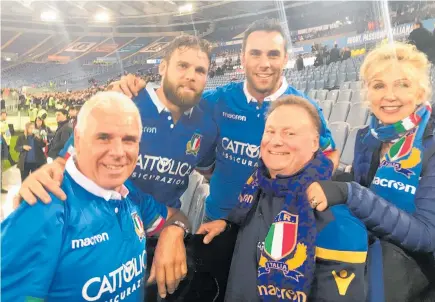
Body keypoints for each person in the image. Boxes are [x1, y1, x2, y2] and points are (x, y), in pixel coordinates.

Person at [108, 19, 339, 222]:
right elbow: (178, 100)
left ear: (285, 58)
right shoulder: (215, 101)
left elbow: (330, 154)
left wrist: (312, 185)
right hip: (218, 218)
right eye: (255, 53)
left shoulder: (304, 108)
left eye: (273, 54)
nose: (264, 63)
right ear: (243, 58)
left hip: (276, 221)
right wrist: (130, 90)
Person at [1, 91, 190, 301]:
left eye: (129, 140)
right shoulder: (43, 208)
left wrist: (174, 231)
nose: (118, 152)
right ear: (78, 139)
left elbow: (176, 217)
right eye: (103, 137)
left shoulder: (129, 194)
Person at [14, 35, 218, 210]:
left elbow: (211, 172)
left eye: (200, 70)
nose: (191, 76)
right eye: (183, 65)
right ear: (163, 67)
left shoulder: (206, 126)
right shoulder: (124, 101)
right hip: (105, 225)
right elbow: (69, 159)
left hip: (162, 231)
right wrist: (51, 171)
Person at [196, 96, 368, 301]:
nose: (276, 141)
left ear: (315, 143)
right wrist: (228, 228)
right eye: (270, 131)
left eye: (290, 133)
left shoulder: (336, 217)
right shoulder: (257, 186)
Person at [306, 43, 435, 302]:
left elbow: (426, 236)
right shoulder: (366, 138)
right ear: (367, 92)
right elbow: (364, 193)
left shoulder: (430, 145)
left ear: (421, 91)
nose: (390, 95)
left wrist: (350, 193)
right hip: (368, 263)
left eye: (402, 84)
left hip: (416, 280)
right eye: (379, 85)